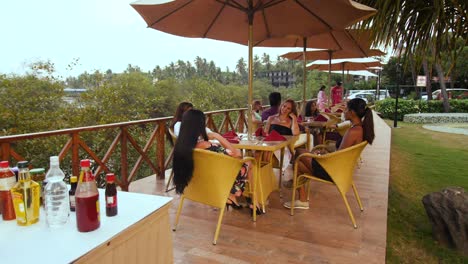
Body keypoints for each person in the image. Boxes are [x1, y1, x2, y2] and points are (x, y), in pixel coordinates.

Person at [283, 98, 375, 209]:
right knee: (300, 165)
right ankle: (301, 198)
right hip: (342, 171)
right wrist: (324, 152)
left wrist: (321, 157)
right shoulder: (360, 129)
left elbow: (338, 156)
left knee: (299, 152)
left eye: (346, 109)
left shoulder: (353, 132)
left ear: (352, 112)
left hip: (332, 171)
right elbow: (341, 153)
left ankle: (298, 190)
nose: (344, 111)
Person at [173, 109, 257, 212]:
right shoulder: (206, 145)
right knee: (249, 162)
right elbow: (238, 155)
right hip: (220, 180)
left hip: (201, 183)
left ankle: (232, 197)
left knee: (238, 163)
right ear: (200, 125)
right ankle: (253, 200)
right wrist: (217, 136)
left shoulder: (181, 147)